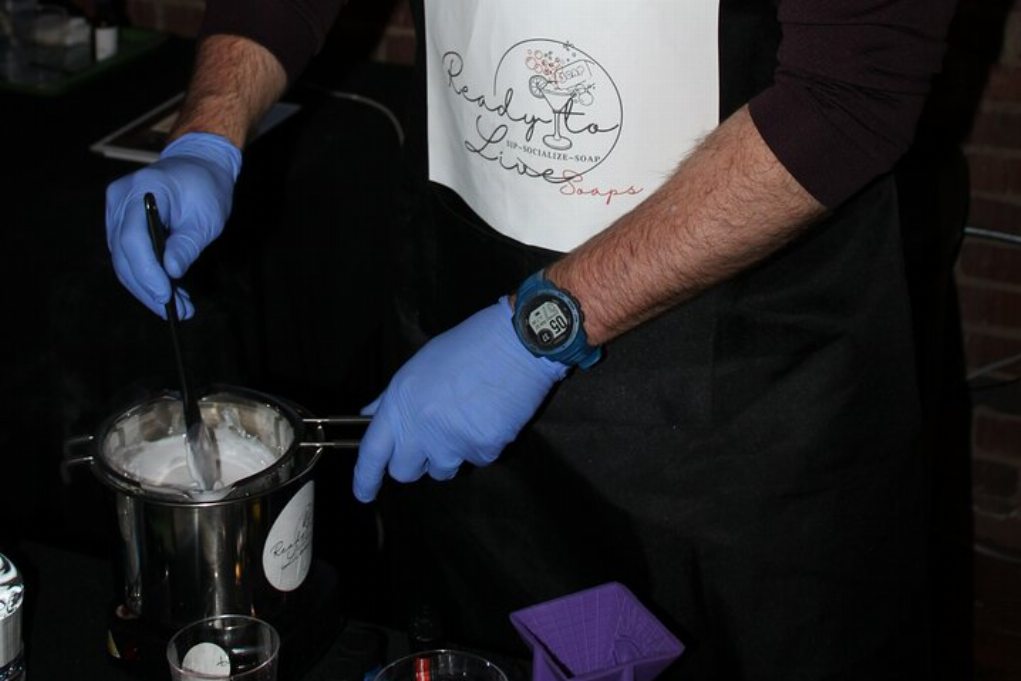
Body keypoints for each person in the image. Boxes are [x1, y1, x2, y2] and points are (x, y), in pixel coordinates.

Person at [104, 1, 959, 678]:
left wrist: (539, 328)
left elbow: (850, 92)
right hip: (466, 331)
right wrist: (208, 131)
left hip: (741, 387)